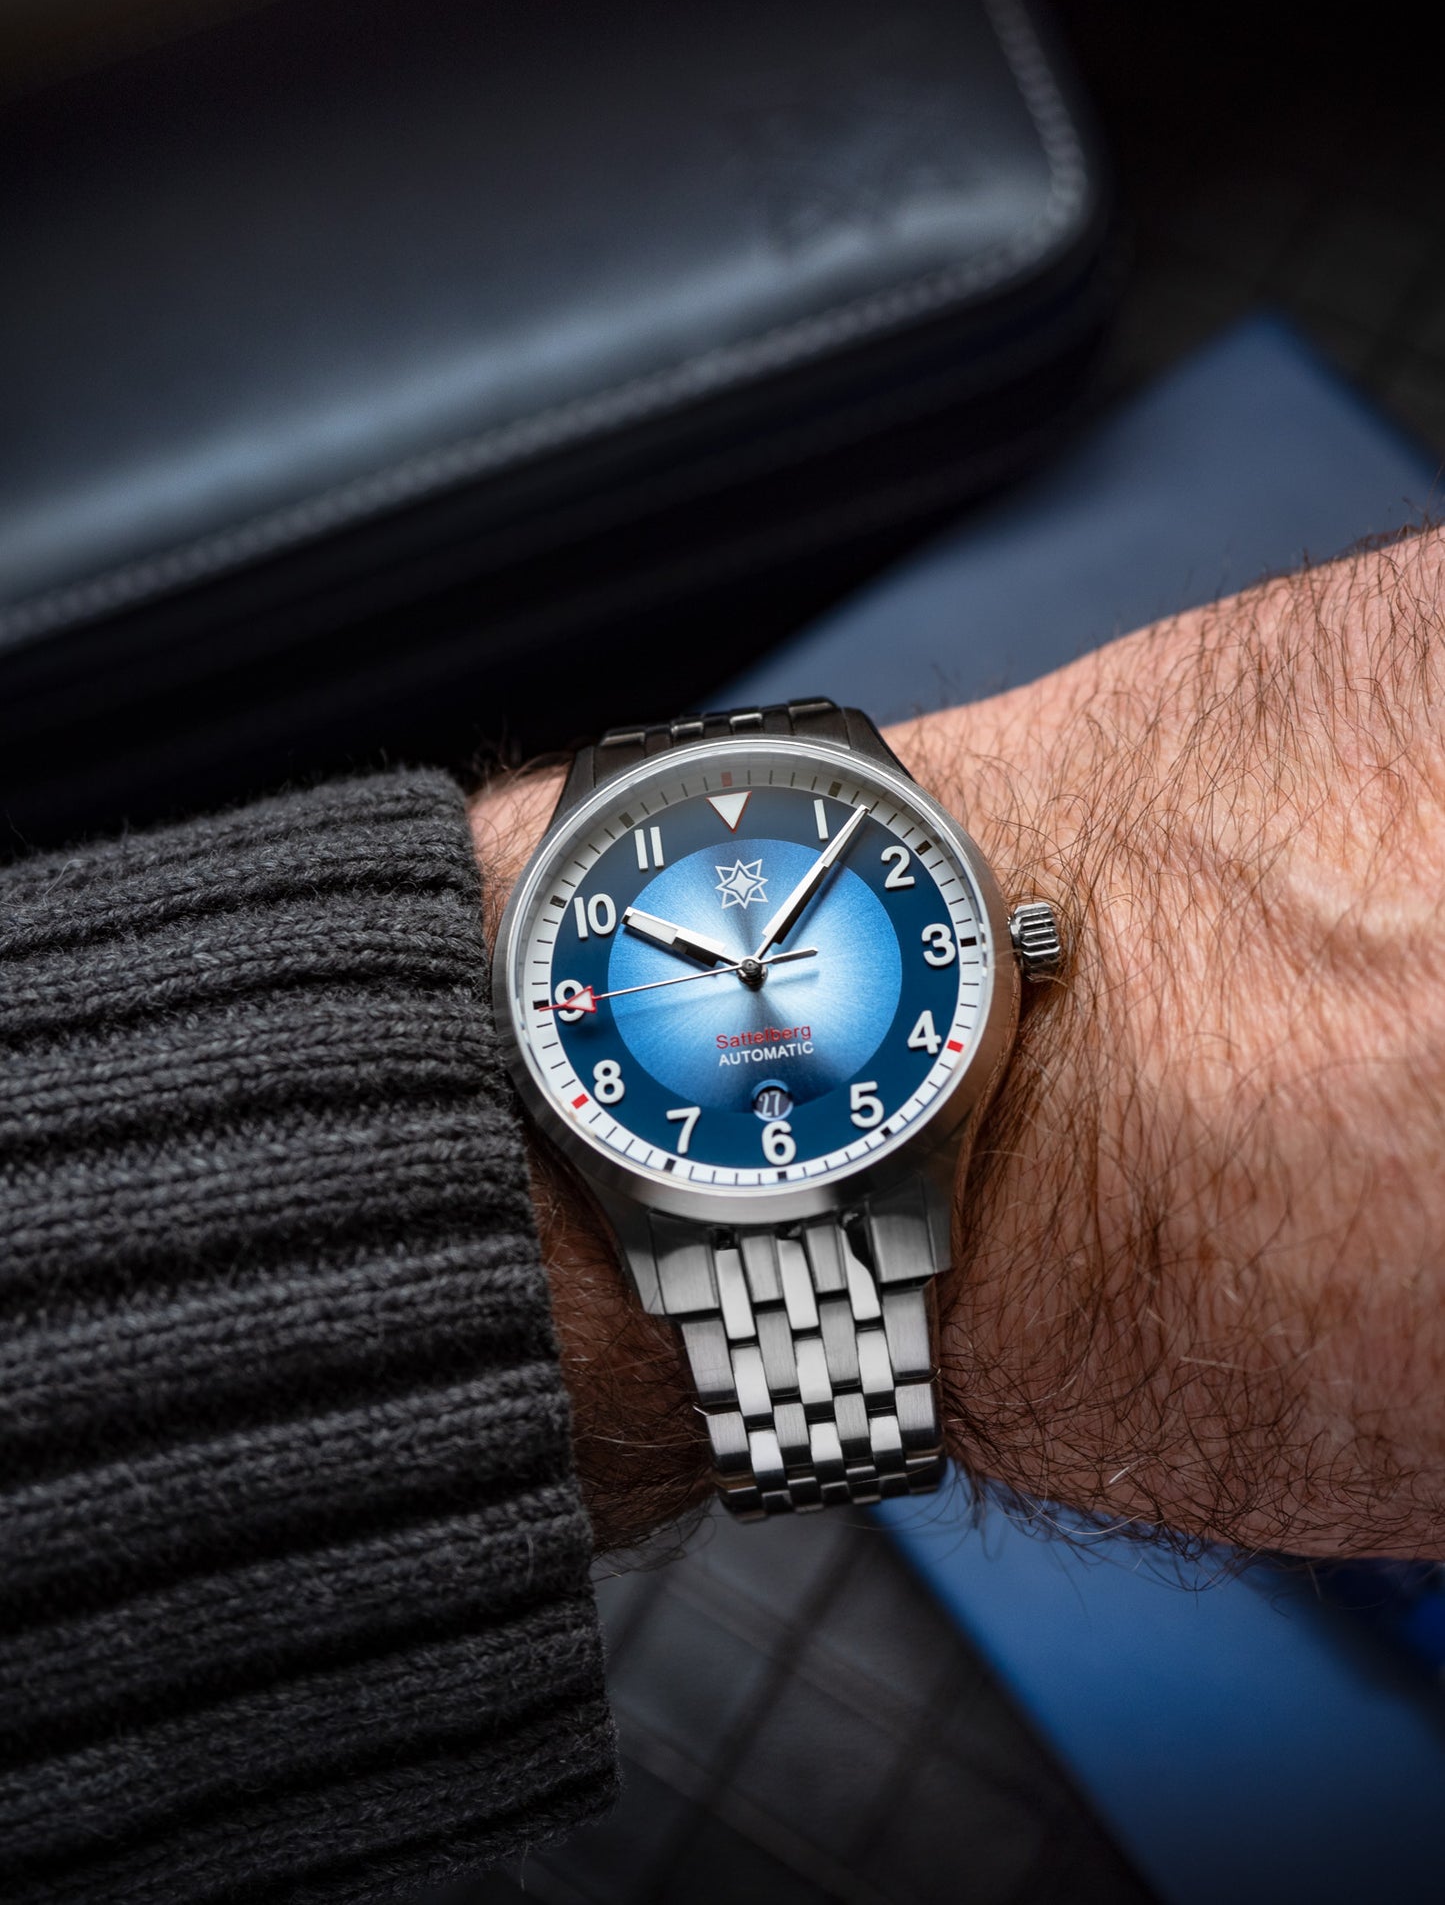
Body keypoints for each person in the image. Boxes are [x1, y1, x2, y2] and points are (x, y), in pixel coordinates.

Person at [3, 526, 1443, 1900]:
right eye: (725, 962)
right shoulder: (588, 1037)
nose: (752, 973)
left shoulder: (958, 959)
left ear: (1022, 951)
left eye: (770, 950)